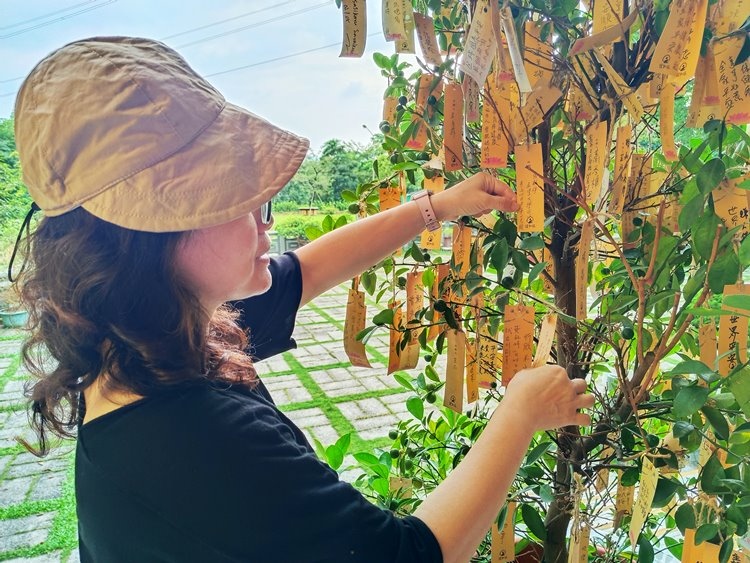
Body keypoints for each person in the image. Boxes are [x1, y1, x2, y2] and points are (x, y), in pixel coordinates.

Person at [12, 37, 594, 563]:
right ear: (156, 235)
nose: (269, 223)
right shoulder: (196, 440)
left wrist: (437, 208)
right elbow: (410, 556)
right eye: (249, 202)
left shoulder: (143, 335)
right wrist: (520, 415)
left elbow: (309, 269)